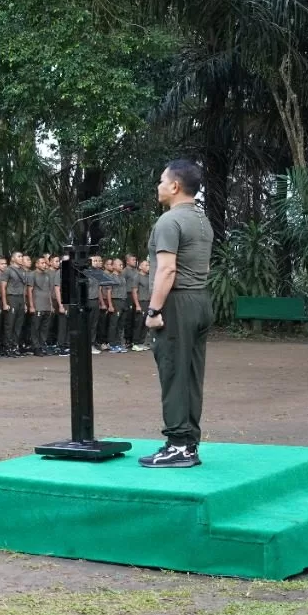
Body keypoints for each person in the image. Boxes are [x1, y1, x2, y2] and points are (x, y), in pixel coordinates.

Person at [140, 160, 214, 469]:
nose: (158, 186)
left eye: (161, 180)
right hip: (200, 300)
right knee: (191, 375)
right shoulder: (201, 220)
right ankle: (189, 442)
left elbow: (167, 269)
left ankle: (178, 444)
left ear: (174, 186)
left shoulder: (169, 222)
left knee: (173, 373)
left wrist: (154, 309)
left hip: (177, 303)